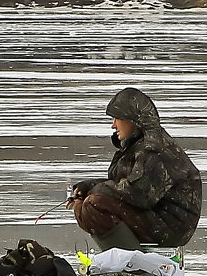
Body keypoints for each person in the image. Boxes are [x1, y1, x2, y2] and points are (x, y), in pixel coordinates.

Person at [69, 87, 201, 251]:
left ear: (132, 120)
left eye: (117, 118)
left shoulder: (154, 149)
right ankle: (121, 260)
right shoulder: (137, 145)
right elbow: (124, 183)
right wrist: (88, 186)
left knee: (94, 205)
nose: (113, 125)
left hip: (170, 226)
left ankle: (130, 265)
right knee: (87, 204)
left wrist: (97, 191)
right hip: (157, 216)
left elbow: (139, 194)